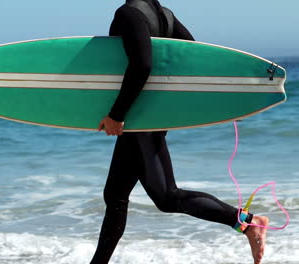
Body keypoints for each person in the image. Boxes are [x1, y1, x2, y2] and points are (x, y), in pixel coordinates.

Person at [93, 1, 269, 263]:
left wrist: (116, 115)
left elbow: (142, 65)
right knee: (116, 195)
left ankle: (248, 222)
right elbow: (193, 56)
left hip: (140, 120)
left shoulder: (129, 14)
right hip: (151, 116)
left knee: (167, 197)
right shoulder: (165, 16)